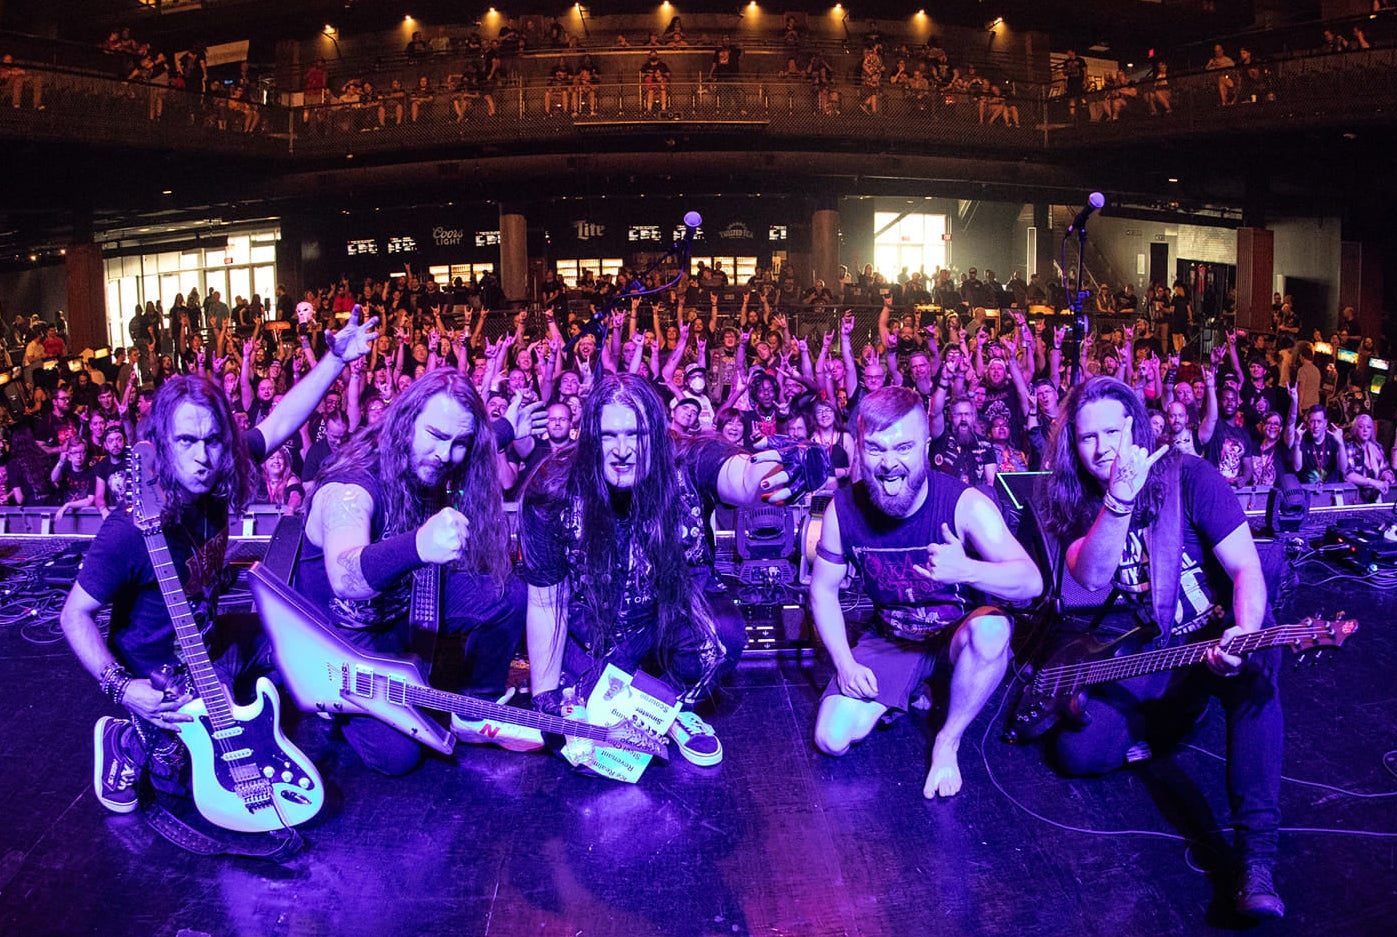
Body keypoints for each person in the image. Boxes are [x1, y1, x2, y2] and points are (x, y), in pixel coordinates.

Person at [59, 309, 379, 816]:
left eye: (212, 440)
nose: (204, 456)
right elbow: (72, 615)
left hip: (211, 645)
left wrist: (335, 359)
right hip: (163, 677)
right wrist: (123, 688)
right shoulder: (129, 530)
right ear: (162, 444)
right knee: (180, 784)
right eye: (187, 442)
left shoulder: (212, 480)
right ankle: (128, 736)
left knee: (306, 638)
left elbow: (276, 424)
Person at [1042, 376, 1285, 920]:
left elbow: (1247, 568)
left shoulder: (1190, 477)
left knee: (1261, 668)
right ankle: (1176, 720)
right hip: (1161, 651)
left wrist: (1243, 632)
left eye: (1112, 431)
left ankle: (1256, 861)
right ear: (1071, 445)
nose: (1102, 448)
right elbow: (1092, 576)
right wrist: (1118, 500)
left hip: (1219, 634)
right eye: (1087, 438)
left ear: (1137, 425)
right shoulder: (1074, 498)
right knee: (1075, 753)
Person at [519, 373, 797, 766]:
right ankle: (646, 707)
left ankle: (666, 708)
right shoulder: (554, 487)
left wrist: (763, 478)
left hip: (663, 626)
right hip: (592, 634)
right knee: (573, 710)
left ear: (658, 433)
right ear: (589, 439)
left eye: (636, 434)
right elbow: (546, 602)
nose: (622, 450)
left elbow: (735, 473)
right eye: (607, 436)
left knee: (721, 636)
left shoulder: (686, 458)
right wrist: (544, 700)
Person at [809, 387, 1041, 798]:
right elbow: (823, 591)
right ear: (859, 447)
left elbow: (1030, 581)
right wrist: (844, 663)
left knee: (993, 632)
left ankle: (947, 740)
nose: (889, 464)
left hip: (956, 636)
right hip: (894, 639)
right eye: (876, 449)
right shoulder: (842, 510)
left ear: (926, 445)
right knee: (832, 738)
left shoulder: (964, 502)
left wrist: (967, 569)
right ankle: (917, 687)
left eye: (904, 447)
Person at [296, 368, 529, 775]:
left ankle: (476, 708)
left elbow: (461, 439)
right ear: (404, 424)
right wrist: (419, 544)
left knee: (507, 596)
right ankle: (332, 706)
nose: (445, 455)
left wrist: (504, 429)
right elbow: (345, 575)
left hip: (399, 610)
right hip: (343, 643)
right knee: (399, 757)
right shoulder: (352, 488)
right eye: (437, 437)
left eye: (458, 444)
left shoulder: (433, 458)